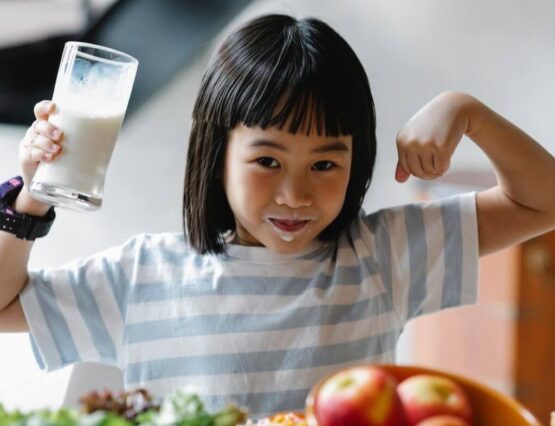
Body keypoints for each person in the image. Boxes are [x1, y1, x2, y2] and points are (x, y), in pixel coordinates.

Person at [0, 13, 554, 419]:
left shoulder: (382, 255)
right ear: (217, 156)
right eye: (267, 160)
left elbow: (543, 201)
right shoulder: (144, 273)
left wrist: (467, 111)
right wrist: (33, 195)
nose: (295, 194)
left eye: (324, 164)